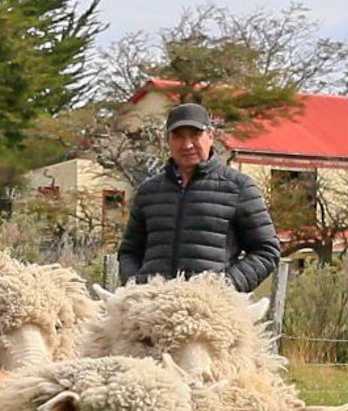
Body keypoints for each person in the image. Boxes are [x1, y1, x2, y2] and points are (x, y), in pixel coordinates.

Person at [116, 102, 281, 293]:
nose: (187, 145)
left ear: (210, 136)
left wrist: (225, 286)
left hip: (209, 311)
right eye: (178, 136)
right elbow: (129, 252)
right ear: (168, 140)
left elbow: (266, 251)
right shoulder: (148, 191)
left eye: (195, 134)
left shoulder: (239, 187)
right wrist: (135, 287)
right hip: (150, 308)